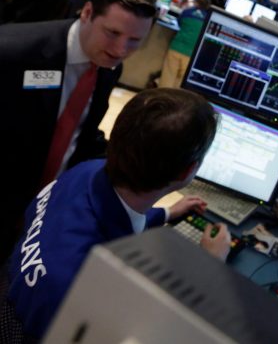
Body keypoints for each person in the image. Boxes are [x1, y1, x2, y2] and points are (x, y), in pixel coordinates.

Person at [2, 88, 232, 341]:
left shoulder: (86, 171)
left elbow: (112, 211)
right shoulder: (98, 288)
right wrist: (210, 266)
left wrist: (165, 213)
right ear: (187, 171)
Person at [0, 0, 156, 259]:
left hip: (43, 211)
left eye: (135, 41)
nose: (121, 50)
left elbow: (80, 131)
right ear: (86, 13)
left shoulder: (108, 66)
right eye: (112, 33)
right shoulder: (13, 52)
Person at [158, 0, 209, 88]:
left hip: (176, 47)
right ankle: (175, 101)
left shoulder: (188, 12)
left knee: (168, 75)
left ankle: (161, 99)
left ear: (197, 3)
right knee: (181, 81)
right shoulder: (208, 18)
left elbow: (179, 23)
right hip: (192, 54)